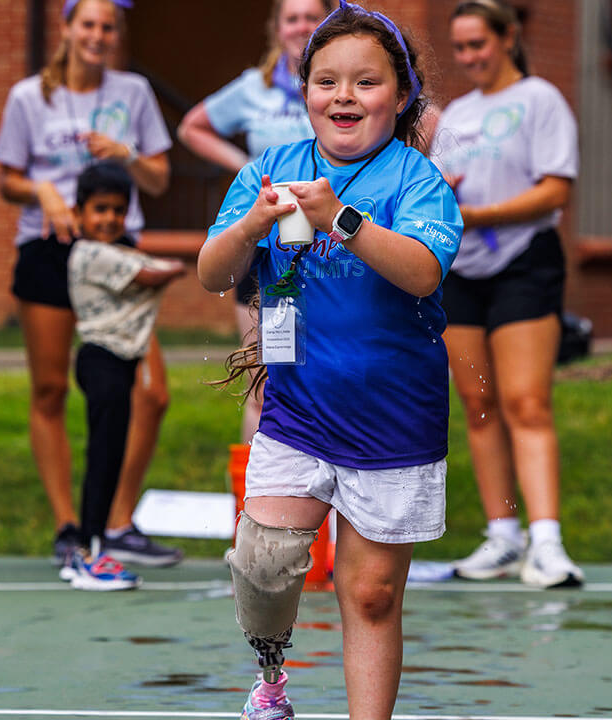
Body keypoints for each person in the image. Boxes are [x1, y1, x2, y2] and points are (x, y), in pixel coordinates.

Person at [197, 2, 462, 717]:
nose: (344, 95)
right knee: (263, 562)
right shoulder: (272, 167)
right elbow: (212, 272)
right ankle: (272, 676)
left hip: (394, 418)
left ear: (401, 95)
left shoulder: (417, 179)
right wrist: (252, 223)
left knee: (370, 593)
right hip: (298, 411)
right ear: (304, 89)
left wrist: (340, 220)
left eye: (366, 82)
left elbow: (423, 271)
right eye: (326, 81)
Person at [0, 0, 182, 574]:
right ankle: (68, 528)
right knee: (50, 391)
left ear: (116, 33)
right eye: (88, 24)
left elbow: (159, 176)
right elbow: (7, 180)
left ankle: (116, 521)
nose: (97, 35)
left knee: (150, 394)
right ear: (68, 28)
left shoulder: (133, 93)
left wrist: (127, 154)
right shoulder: (32, 96)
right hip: (51, 250)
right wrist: (45, 193)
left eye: (108, 26)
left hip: (118, 251)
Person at [430, 0, 583, 588]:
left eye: (479, 44)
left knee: (525, 402)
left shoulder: (541, 99)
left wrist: (479, 213)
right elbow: (440, 193)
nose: (470, 57)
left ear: (509, 37)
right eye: (461, 47)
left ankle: (547, 544)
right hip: (459, 271)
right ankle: (503, 536)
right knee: (480, 404)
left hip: (524, 264)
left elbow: (554, 191)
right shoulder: (455, 116)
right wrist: (446, 202)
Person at [177, 0, 332, 444]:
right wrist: (246, 166)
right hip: (265, 248)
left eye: (311, 17)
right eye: (292, 18)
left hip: (331, 246)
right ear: (276, 29)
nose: (302, 26)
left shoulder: (339, 84)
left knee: (328, 375)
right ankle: (251, 500)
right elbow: (193, 127)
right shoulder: (253, 88)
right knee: (265, 377)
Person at [64, 162, 185, 591]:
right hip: (103, 361)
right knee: (103, 456)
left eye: (118, 210)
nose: (109, 219)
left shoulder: (115, 250)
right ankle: (88, 554)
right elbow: (153, 272)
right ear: (77, 214)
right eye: (99, 210)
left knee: (110, 454)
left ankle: (92, 548)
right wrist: (189, 257)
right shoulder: (92, 253)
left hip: (118, 363)